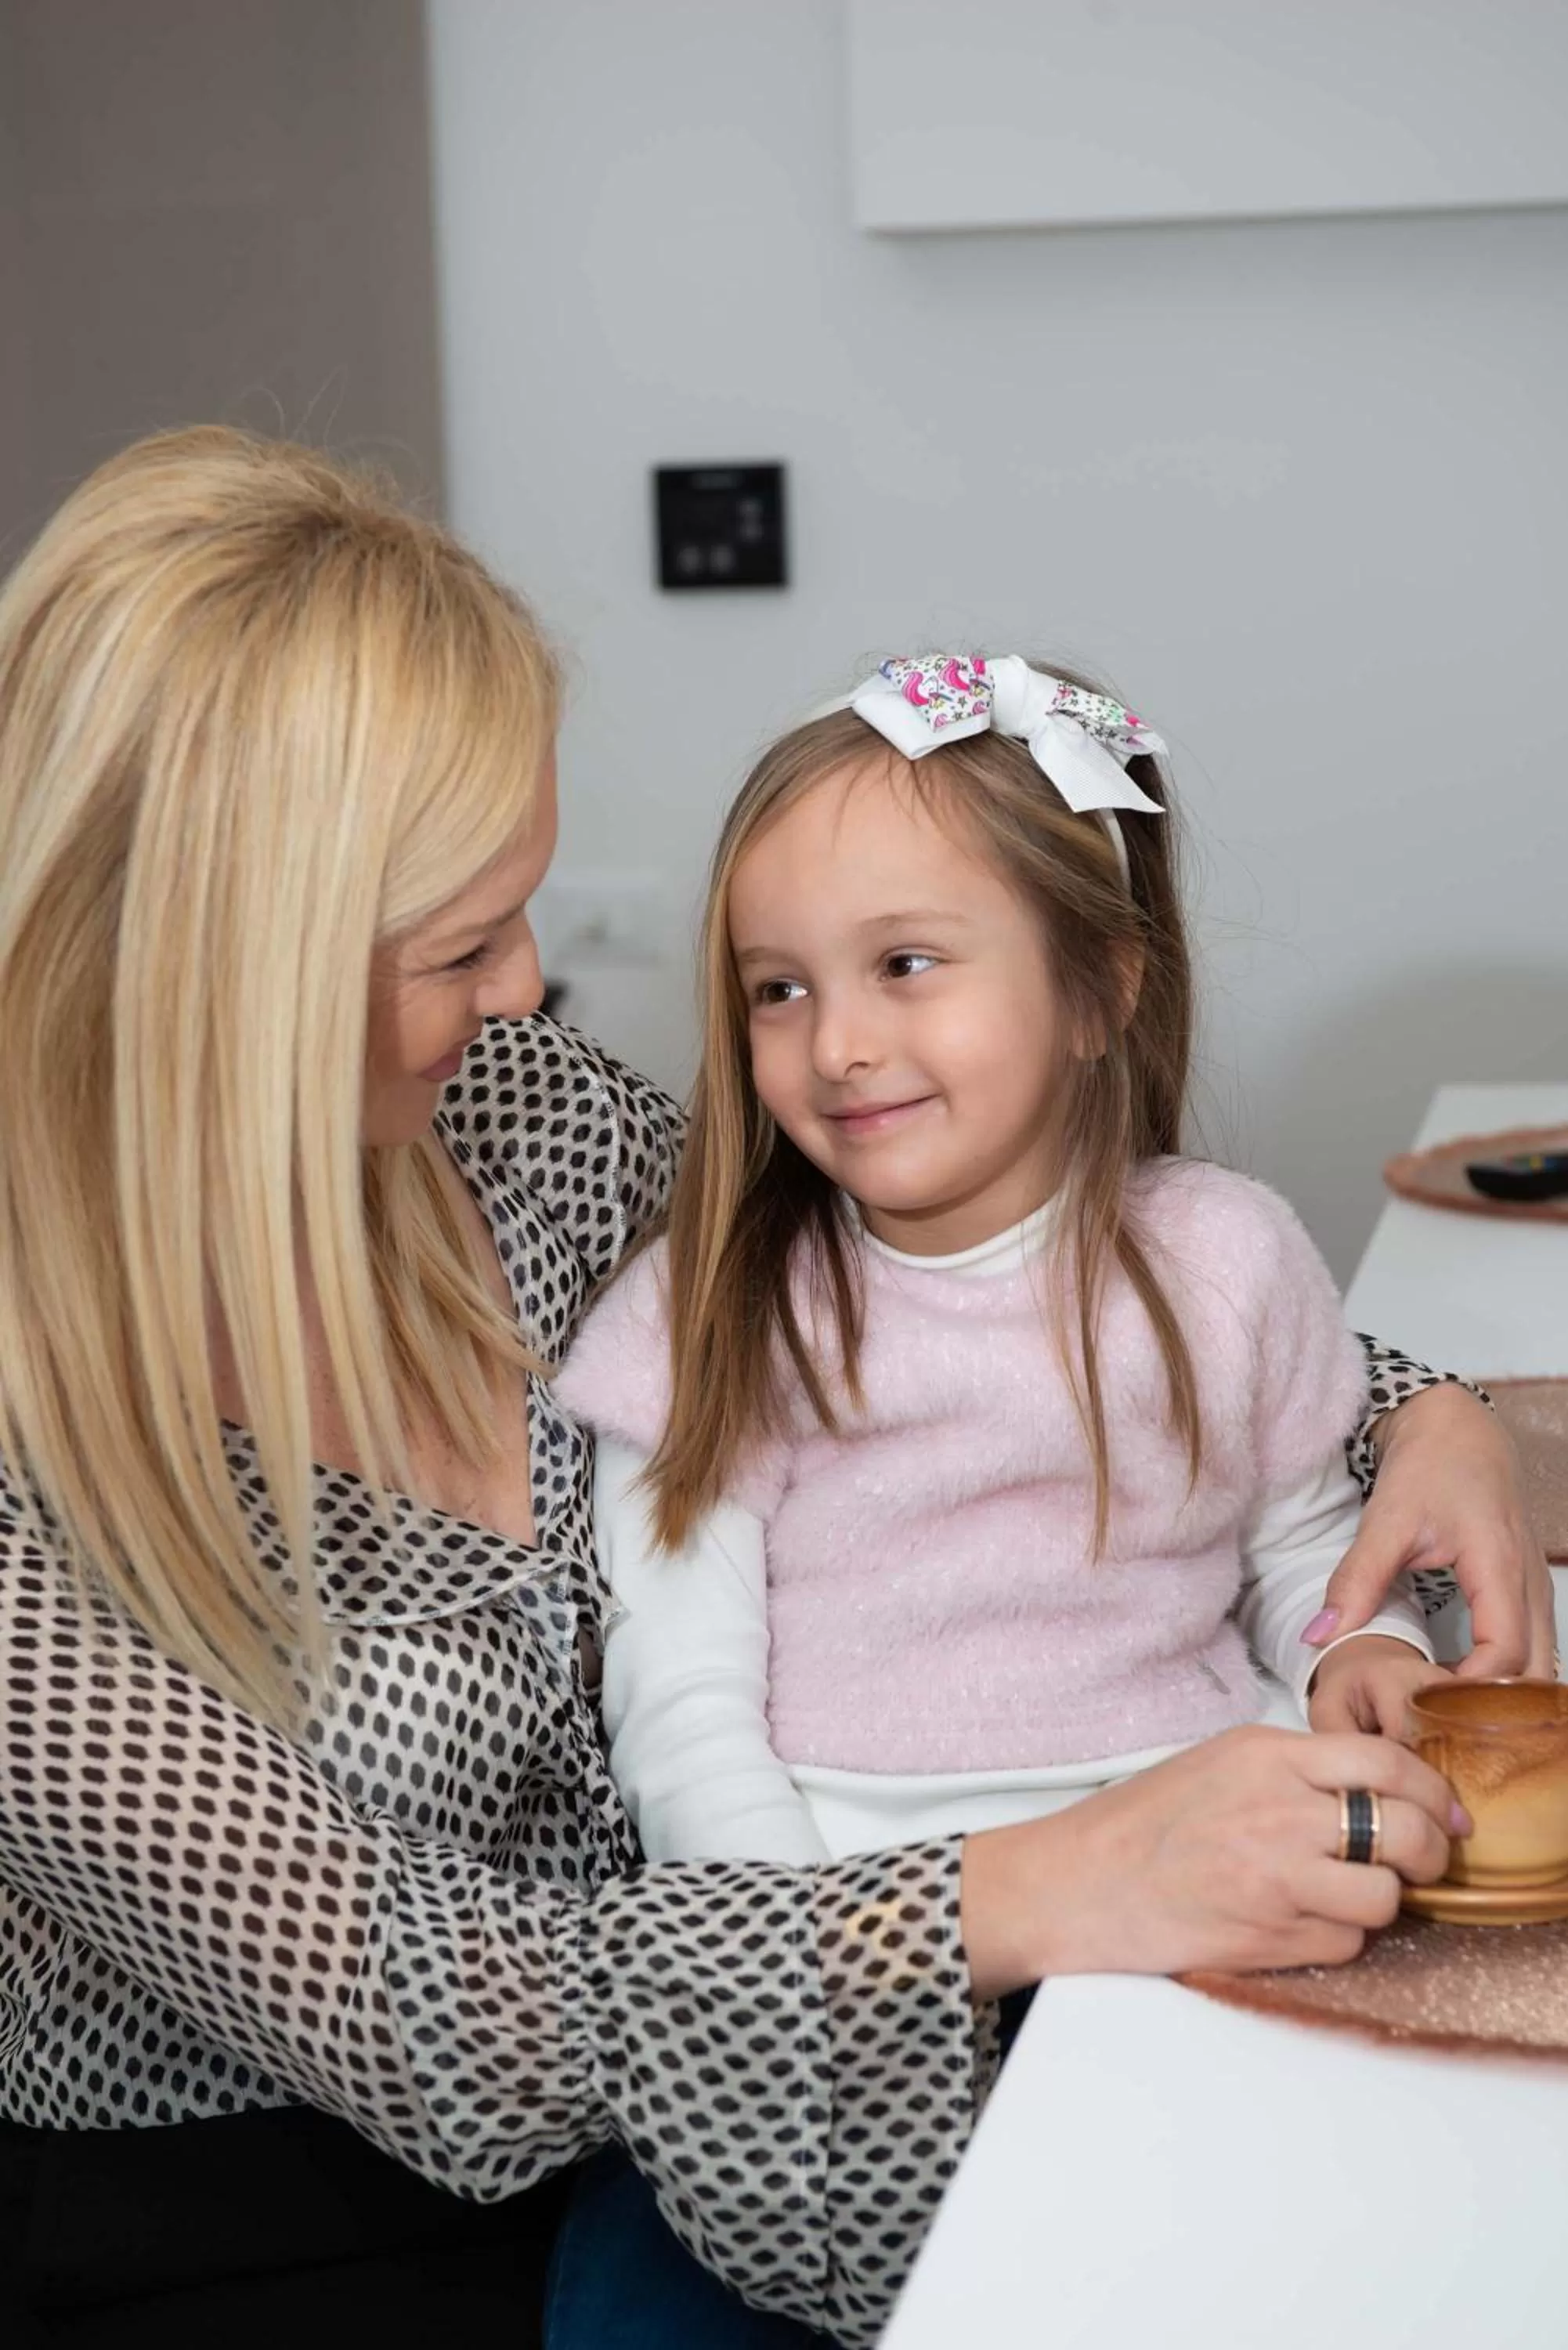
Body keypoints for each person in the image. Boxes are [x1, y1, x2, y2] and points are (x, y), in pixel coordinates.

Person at [0, 436, 1548, 2350]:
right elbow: (443, 2025)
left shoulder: (503, 1120)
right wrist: (1035, 1881)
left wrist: (1423, 1411)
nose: (526, 990)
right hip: (319, 2229)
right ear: (214, 980)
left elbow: (950, 1292)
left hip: (797, 2076)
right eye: (461, 944)